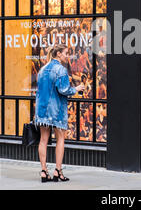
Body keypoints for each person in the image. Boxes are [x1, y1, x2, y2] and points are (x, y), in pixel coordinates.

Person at [34, 44, 84, 183]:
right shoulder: (60, 69)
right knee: (60, 139)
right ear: (58, 54)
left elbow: (39, 91)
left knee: (43, 140)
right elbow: (64, 90)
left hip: (42, 109)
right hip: (56, 110)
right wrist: (77, 88)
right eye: (66, 53)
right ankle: (58, 170)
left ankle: (44, 171)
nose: (67, 56)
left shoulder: (42, 69)